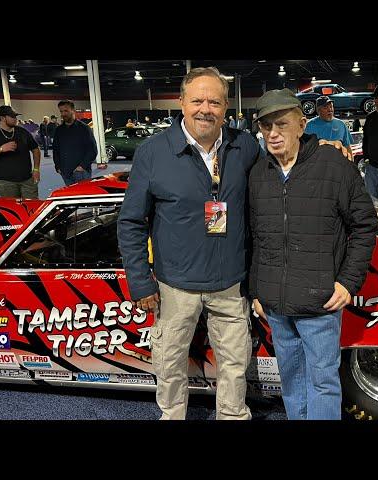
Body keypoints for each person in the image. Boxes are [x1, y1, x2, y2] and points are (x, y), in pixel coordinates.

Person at [117, 67, 259, 421]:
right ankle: (172, 415)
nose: (205, 109)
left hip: (230, 282)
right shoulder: (153, 152)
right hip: (174, 285)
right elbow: (131, 221)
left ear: (227, 107)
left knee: (235, 363)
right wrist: (140, 280)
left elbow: (285, 169)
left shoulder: (245, 146)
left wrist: (321, 147)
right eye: (197, 100)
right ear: (181, 103)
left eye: (214, 101)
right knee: (169, 363)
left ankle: (232, 415)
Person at [248, 88, 378, 420]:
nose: (274, 134)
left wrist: (348, 282)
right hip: (276, 306)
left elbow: (364, 225)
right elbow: (255, 236)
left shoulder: (333, 164)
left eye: (282, 124)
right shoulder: (258, 174)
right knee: (291, 382)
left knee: (323, 383)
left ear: (301, 125)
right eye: (266, 127)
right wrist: (257, 290)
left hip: (319, 303)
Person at [0, 105, 41, 199]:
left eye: (16, 116)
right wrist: (1, 149)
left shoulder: (23, 132)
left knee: (33, 206)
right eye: (12, 116)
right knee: (14, 208)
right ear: (2, 118)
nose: (15, 119)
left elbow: (35, 149)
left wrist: (36, 169)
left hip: (27, 178)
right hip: (4, 181)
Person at [52, 99, 104, 186]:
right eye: (61, 111)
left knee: (84, 197)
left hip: (81, 172)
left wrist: (82, 166)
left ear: (73, 110)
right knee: (71, 198)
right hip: (65, 172)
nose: (63, 114)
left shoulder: (84, 128)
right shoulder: (59, 130)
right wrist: (58, 166)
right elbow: (55, 149)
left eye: (66, 111)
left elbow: (93, 150)